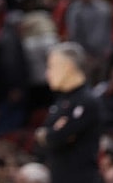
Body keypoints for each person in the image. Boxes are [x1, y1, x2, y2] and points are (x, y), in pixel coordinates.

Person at [35, 42, 103, 183]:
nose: (47, 73)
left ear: (68, 66)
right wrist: (51, 135)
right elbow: (44, 137)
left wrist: (52, 135)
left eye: (51, 66)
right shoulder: (61, 101)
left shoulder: (87, 100)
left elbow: (55, 136)